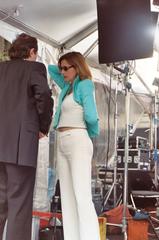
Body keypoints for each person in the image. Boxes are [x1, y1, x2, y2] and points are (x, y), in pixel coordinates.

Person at [0, 33, 53, 240]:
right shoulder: (34, 68)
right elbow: (45, 96)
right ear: (32, 52)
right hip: (21, 148)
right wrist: (43, 127)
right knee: (19, 205)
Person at [48, 51, 100, 240]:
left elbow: (91, 116)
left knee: (82, 196)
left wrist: (91, 130)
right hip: (63, 140)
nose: (61, 72)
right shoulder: (68, 87)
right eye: (61, 68)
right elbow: (50, 69)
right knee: (68, 199)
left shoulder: (84, 84)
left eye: (66, 68)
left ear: (77, 67)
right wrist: (64, 65)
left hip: (77, 138)